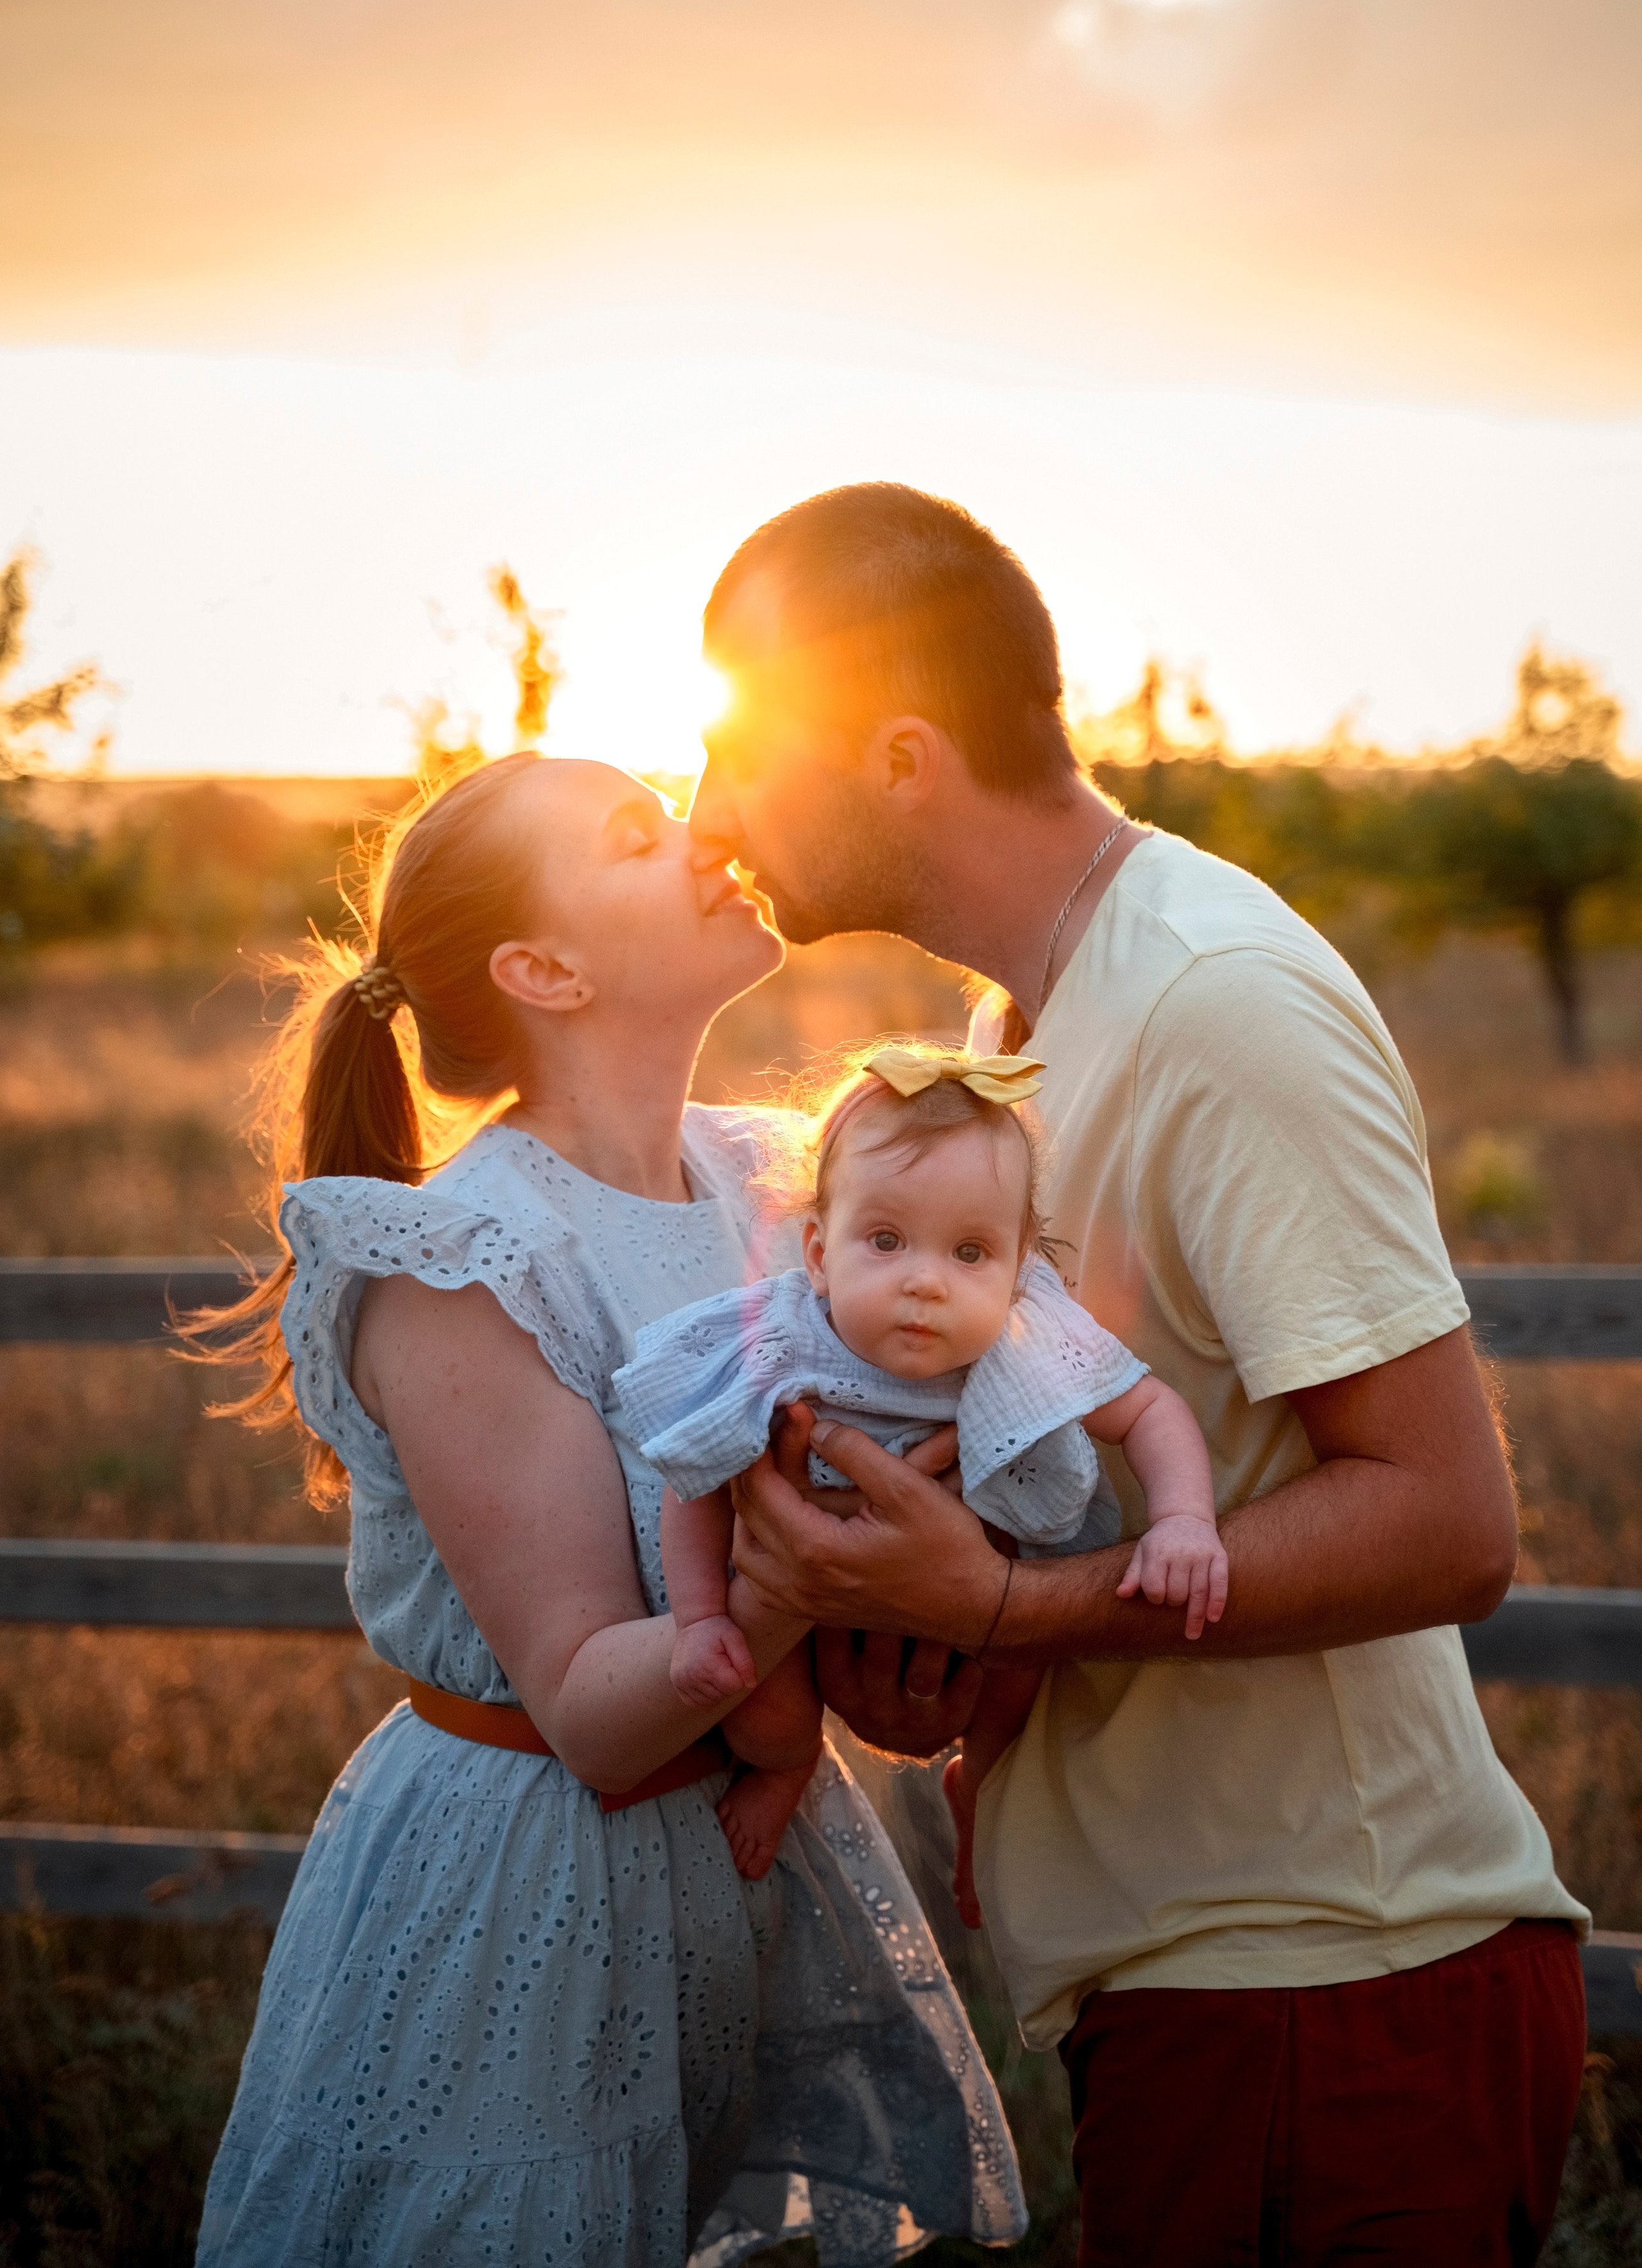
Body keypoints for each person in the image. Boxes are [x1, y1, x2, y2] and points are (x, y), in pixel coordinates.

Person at [688, 481, 1591, 2267]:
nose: (707, 811)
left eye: (737, 751)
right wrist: (924, 1642)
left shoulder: (1216, 1001)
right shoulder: (1013, 1039)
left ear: (897, 754)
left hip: (1337, 1991)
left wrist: (1016, 1605)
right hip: (1194, 1995)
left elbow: (1448, 1522)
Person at [190, 750, 1026, 2268]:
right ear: (544, 969)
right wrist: (802, 1578)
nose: (706, 834)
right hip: (533, 1887)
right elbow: (589, 1707)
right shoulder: (463, 1257)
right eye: (638, 836)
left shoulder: (770, 1179)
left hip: (742, 1865)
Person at [613, 1039, 1224, 1893]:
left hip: (983, 1595)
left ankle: (983, 1784)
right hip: (807, 1608)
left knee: (1023, 1681)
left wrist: (1185, 1522)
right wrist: (704, 1618)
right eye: (888, 1241)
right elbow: (699, 1479)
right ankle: (789, 1766)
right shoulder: (780, 1342)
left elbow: (1151, 1408)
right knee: (763, 1710)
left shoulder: (1027, 1337)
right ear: (821, 1253)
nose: (925, 1283)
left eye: (969, 1253)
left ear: (1021, 1271)